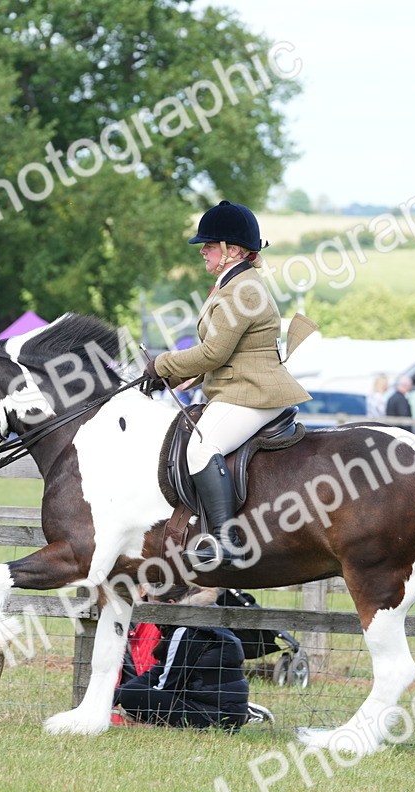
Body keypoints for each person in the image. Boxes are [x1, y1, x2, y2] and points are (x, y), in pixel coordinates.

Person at [144, 200, 310, 568]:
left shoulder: (242, 290)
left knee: (203, 448)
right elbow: (228, 354)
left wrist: (161, 364)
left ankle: (225, 542)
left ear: (232, 251)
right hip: (243, 386)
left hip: (252, 393)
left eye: (209, 245)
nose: (202, 250)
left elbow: (213, 353)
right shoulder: (233, 284)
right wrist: (178, 376)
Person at [113, 585, 264, 730]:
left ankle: (228, 722)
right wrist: (114, 695)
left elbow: (168, 685)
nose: (151, 613)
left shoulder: (184, 630)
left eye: (153, 607)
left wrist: (128, 695)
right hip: (222, 708)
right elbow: (157, 672)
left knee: (132, 695)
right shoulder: (204, 618)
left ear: (170, 604)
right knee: (130, 690)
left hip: (214, 715)